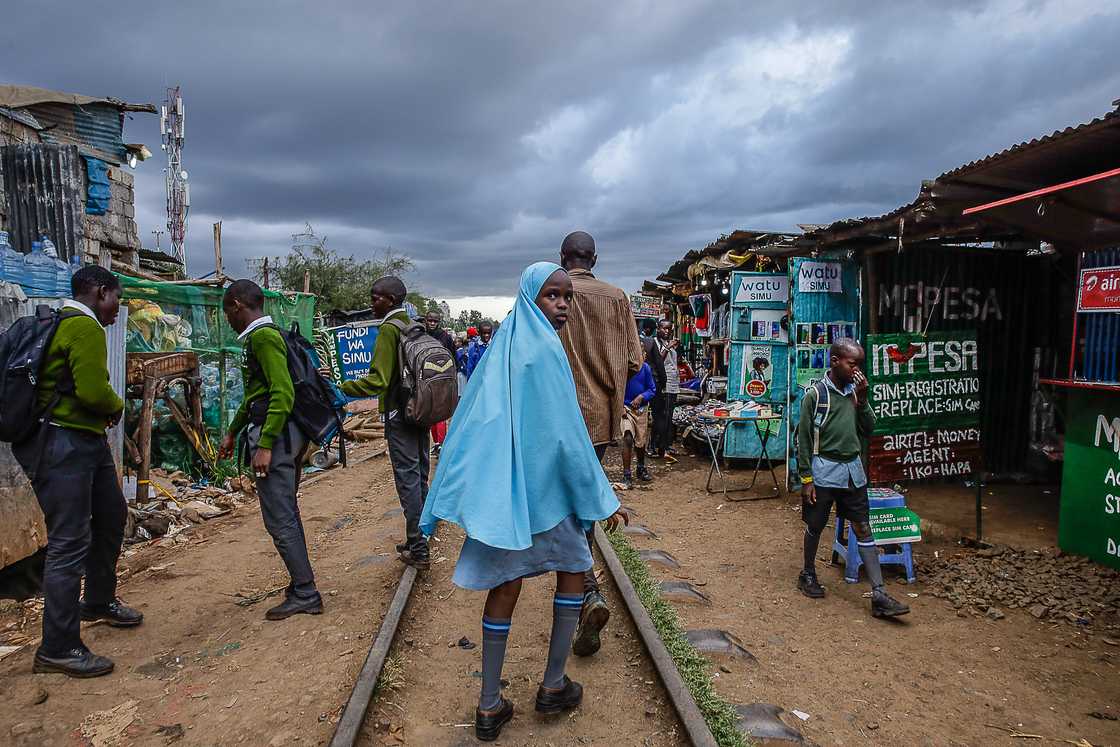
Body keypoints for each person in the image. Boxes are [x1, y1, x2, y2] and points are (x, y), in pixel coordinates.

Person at [418, 262, 628, 742]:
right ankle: (553, 684)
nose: (563, 305)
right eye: (553, 295)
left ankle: (489, 705)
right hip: (549, 496)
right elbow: (567, 438)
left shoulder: (504, 345)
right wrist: (602, 498)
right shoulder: (545, 352)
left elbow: (474, 416)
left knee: (505, 585)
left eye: (567, 297)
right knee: (573, 569)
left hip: (508, 499)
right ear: (532, 296)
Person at [13, 266, 140, 678]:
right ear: (101, 292)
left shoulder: (65, 324)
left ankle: (98, 601)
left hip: (83, 440)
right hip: (63, 444)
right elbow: (92, 391)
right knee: (69, 541)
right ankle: (58, 647)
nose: (118, 308)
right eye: (116, 298)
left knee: (111, 516)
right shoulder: (83, 327)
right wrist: (117, 406)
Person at [556, 230, 643, 658]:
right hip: (601, 421)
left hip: (559, 418)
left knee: (567, 508)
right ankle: (585, 588)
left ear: (563, 257)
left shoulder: (553, 295)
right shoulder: (618, 297)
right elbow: (635, 361)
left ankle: (586, 590)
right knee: (581, 504)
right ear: (595, 258)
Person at [218, 280, 323, 621]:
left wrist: (264, 445)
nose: (228, 320)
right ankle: (301, 585)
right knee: (286, 511)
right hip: (283, 435)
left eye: (227, 313)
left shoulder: (262, 338)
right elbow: (256, 396)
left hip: (275, 439)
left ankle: (306, 592)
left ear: (237, 305)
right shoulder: (264, 336)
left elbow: (282, 393)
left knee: (279, 516)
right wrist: (232, 432)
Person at [796, 339, 911, 619]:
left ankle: (879, 594)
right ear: (835, 361)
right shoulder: (816, 395)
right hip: (823, 472)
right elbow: (804, 439)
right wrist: (806, 479)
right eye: (852, 364)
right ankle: (807, 573)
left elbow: (869, 429)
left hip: (852, 472)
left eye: (859, 364)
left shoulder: (856, 394)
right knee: (815, 525)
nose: (857, 370)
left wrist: (864, 400)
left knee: (863, 527)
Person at [335, 277, 432, 569]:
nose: (372, 303)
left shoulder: (389, 329)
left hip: (399, 414)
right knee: (420, 474)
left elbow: (378, 380)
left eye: (376, 298)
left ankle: (418, 548)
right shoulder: (413, 325)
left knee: (407, 479)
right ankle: (419, 536)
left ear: (391, 300)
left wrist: (342, 388)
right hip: (420, 411)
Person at [620, 358, 656, 489]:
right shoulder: (622, 367)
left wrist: (641, 397)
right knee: (628, 437)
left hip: (641, 409)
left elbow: (652, 389)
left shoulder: (645, 368)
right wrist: (620, 406)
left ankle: (640, 467)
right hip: (626, 408)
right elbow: (616, 389)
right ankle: (626, 474)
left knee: (640, 442)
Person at [423, 311, 455, 451]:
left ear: (438, 322)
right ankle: (436, 442)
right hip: (426, 379)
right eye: (430, 320)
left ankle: (442, 443)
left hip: (442, 380)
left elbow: (453, 357)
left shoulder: (445, 337)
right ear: (426, 320)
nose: (432, 323)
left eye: (435, 321)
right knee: (429, 414)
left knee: (440, 413)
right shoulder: (421, 336)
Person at [650, 319, 680, 460]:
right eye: (664, 328)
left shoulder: (669, 344)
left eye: (669, 329)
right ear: (658, 329)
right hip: (663, 383)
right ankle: (653, 446)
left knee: (669, 416)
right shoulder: (655, 343)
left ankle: (665, 445)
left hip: (673, 383)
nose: (667, 331)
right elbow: (658, 361)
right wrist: (668, 347)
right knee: (660, 416)